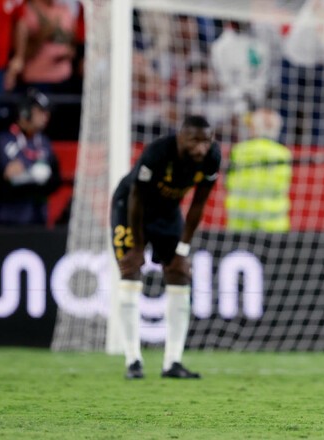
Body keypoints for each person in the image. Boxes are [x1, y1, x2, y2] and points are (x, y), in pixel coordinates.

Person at [110, 115, 221, 380]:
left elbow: (198, 204)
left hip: (168, 212)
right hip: (130, 208)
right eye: (194, 141)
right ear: (181, 137)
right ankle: (133, 361)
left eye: (206, 141)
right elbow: (136, 196)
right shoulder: (157, 152)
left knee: (179, 273)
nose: (201, 148)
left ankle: (173, 362)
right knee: (130, 272)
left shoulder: (212, 157)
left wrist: (183, 251)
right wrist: (138, 248)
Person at [0, 88, 61, 225]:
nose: (46, 116)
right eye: (40, 111)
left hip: (37, 218)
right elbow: (8, 175)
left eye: (47, 112)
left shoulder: (44, 143)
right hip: (8, 220)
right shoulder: (4, 140)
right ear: (25, 112)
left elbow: (55, 180)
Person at [225, 108, 292, 232]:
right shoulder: (283, 153)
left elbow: (228, 182)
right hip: (274, 224)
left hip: (241, 222)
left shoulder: (239, 150)